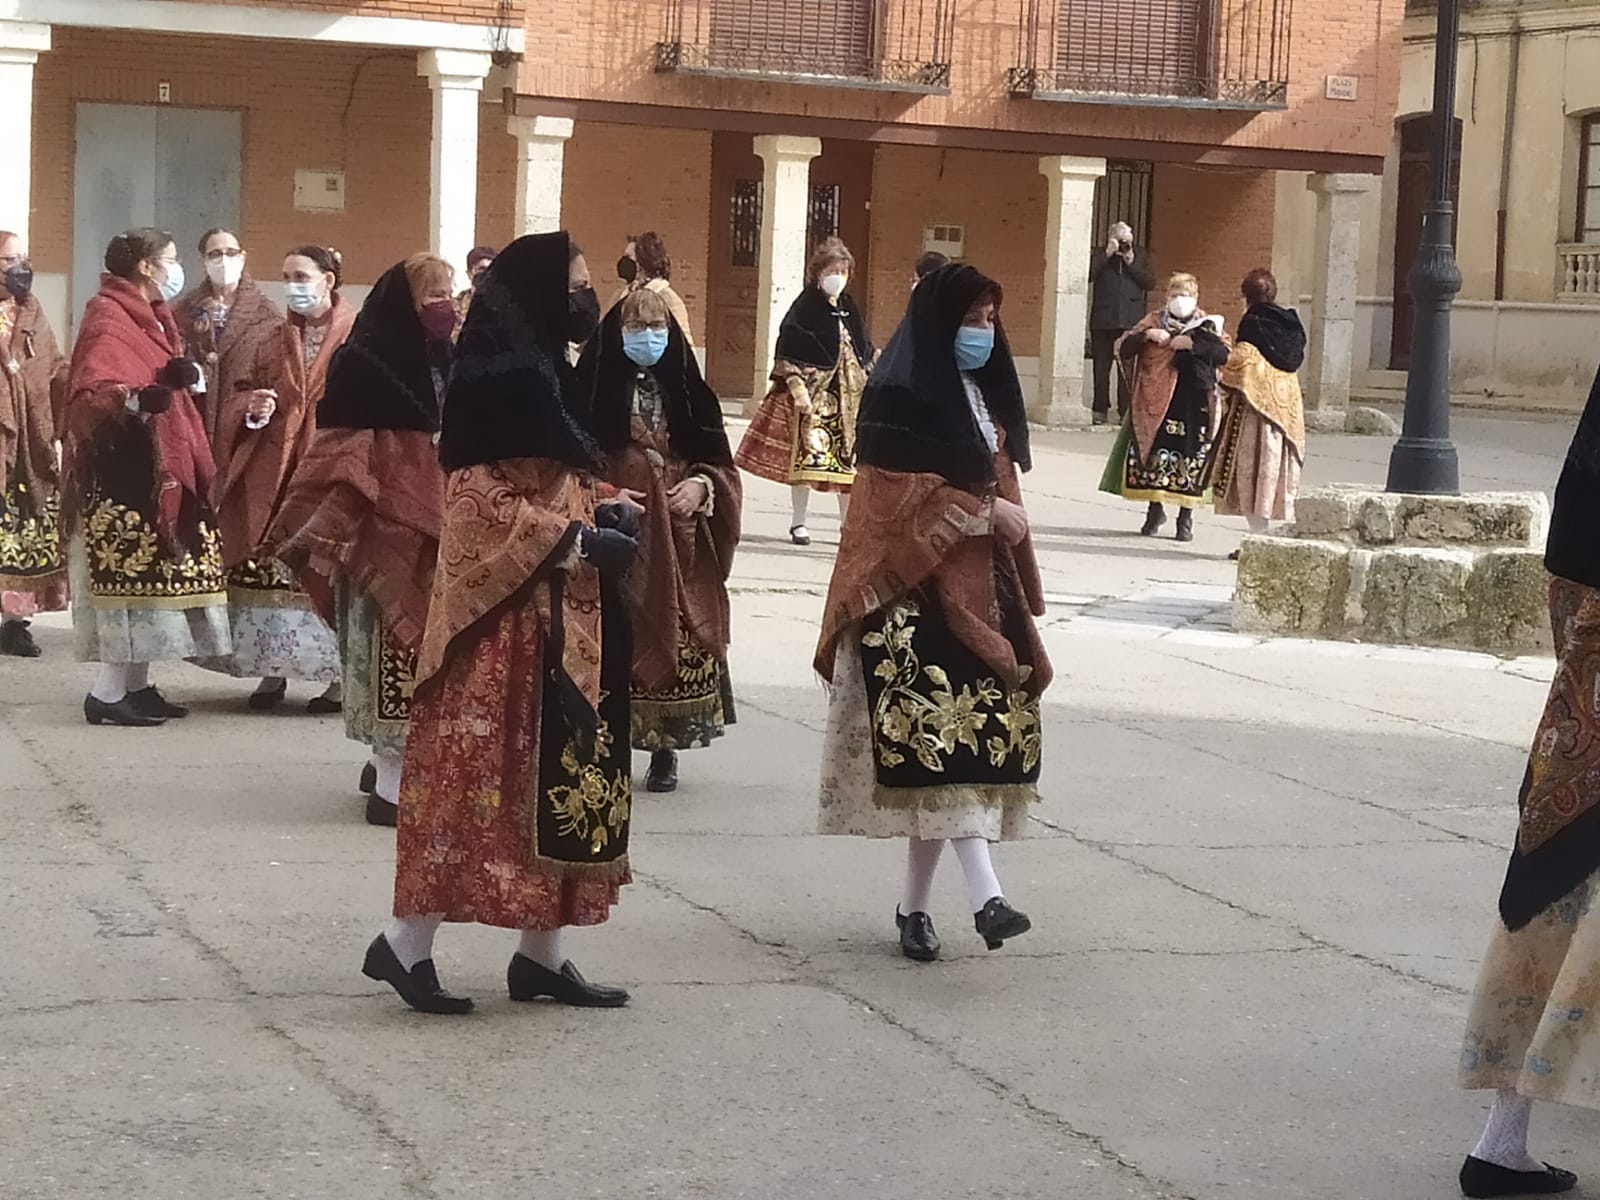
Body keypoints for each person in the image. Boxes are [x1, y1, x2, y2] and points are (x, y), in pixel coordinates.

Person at [364, 230, 638, 1015]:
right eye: (578, 285)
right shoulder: (500, 380)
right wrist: (577, 538)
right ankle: (404, 943)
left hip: (560, 619)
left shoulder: (547, 371)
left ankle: (542, 956)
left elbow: (552, 484)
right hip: (502, 628)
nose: (589, 299)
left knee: (554, 783)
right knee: (476, 786)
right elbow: (477, 511)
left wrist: (606, 507)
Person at [814, 262, 1049, 964]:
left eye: (990, 318)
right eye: (974, 318)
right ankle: (988, 898)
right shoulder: (898, 393)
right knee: (939, 750)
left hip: (979, 593)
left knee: (952, 759)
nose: (985, 330)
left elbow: (1001, 488)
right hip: (907, 600)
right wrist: (979, 515)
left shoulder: (982, 397)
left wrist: (1009, 553)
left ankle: (914, 909)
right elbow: (888, 498)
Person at [1455, 368, 1600, 1200]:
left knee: (1553, 904)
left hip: (1578, 739)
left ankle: (1502, 1141)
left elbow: (1566, 568)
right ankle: (1502, 1143)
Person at [270, 253, 455, 826]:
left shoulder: (451, 357)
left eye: (450, 294)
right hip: (377, 534)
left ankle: (390, 770)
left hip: (439, 529)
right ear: (406, 301)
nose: (444, 308)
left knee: (426, 658)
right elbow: (342, 452)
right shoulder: (363, 361)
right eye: (433, 296)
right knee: (387, 657)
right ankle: (390, 788)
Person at [579, 285, 741, 794]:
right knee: (615, 631)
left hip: (679, 533)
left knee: (680, 627)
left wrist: (701, 485)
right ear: (615, 333)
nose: (647, 338)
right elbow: (567, 464)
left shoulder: (690, 389)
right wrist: (604, 492)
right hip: (618, 529)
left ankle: (665, 747)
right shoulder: (590, 386)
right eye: (635, 328)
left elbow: (718, 461)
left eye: (657, 329)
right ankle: (609, 741)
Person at [64, 227, 229, 727]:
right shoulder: (108, 317)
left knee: (151, 583)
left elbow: (156, 377)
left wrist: (175, 378)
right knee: (127, 585)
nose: (176, 269)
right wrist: (135, 400)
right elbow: (92, 394)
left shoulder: (156, 319)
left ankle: (137, 685)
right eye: (171, 260)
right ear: (146, 267)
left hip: (156, 467)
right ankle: (107, 693)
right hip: (123, 472)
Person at [210, 246, 353, 711]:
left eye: (301, 275)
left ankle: (335, 679)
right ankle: (272, 671)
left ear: (328, 280)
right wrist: (254, 408)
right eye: (286, 275)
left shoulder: (358, 336)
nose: (292, 284)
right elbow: (241, 389)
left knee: (324, 569)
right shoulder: (272, 338)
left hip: (331, 463)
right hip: (275, 466)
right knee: (271, 566)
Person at [735, 236, 874, 547]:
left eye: (844, 270)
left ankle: (845, 525)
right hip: (815, 398)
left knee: (847, 466)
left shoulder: (850, 307)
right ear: (819, 273)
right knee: (807, 461)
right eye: (833, 270)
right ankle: (799, 523)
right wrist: (798, 389)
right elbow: (787, 351)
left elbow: (863, 347)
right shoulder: (805, 307)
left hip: (848, 401)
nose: (839, 276)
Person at [1098, 272, 1228, 544]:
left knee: (1190, 457)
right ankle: (1154, 511)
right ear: (1167, 296)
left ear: (1196, 297)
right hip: (1154, 400)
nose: (1181, 300)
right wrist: (1147, 336)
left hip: (1193, 402)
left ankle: (1185, 518)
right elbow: (1123, 347)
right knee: (1155, 455)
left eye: (1187, 294)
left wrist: (1194, 344)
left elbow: (1224, 354)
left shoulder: (1207, 324)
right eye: (1175, 294)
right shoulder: (1154, 320)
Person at [0, 229, 70, 658]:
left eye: (23, 258)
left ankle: (14, 623)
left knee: (23, 530)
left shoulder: (34, 311)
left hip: (31, 442)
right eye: (9, 260)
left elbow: (51, 363)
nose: (19, 268)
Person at [1210, 269, 1305, 558]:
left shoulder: (1253, 323)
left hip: (1255, 412)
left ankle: (1259, 539)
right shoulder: (1292, 326)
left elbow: (1241, 362)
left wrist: (1214, 345)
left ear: (1245, 297)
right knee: (1274, 473)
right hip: (1285, 413)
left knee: (1253, 472)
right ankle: (1269, 537)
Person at [172, 228, 281, 449]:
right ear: (204, 260)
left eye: (231, 252)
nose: (224, 260)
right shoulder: (183, 310)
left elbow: (273, 372)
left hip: (242, 431)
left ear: (242, 257)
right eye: (215, 253)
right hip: (193, 422)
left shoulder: (266, 313)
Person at [1089, 221, 1155, 426]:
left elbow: (1149, 282)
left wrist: (1131, 261)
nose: (1123, 244)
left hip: (1130, 320)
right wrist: (1107, 254)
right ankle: (1100, 409)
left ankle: (1125, 410)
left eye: (1126, 240)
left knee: (1126, 368)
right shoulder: (1101, 254)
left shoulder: (1140, 255)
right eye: (1119, 239)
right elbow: (1088, 275)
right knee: (1101, 367)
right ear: (1111, 238)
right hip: (1103, 319)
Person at [454, 245, 496, 323]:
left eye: (491, 269)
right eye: (482, 269)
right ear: (469, 273)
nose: (486, 273)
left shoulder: (503, 306)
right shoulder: (455, 307)